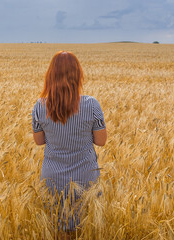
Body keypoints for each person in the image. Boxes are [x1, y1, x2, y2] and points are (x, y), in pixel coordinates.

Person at [31, 51, 107, 237]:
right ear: (78, 74)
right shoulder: (92, 105)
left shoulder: (40, 106)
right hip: (85, 176)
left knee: (58, 227)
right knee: (85, 228)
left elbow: (39, 142)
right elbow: (101, 141)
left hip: (53, 178)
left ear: (51, 75)